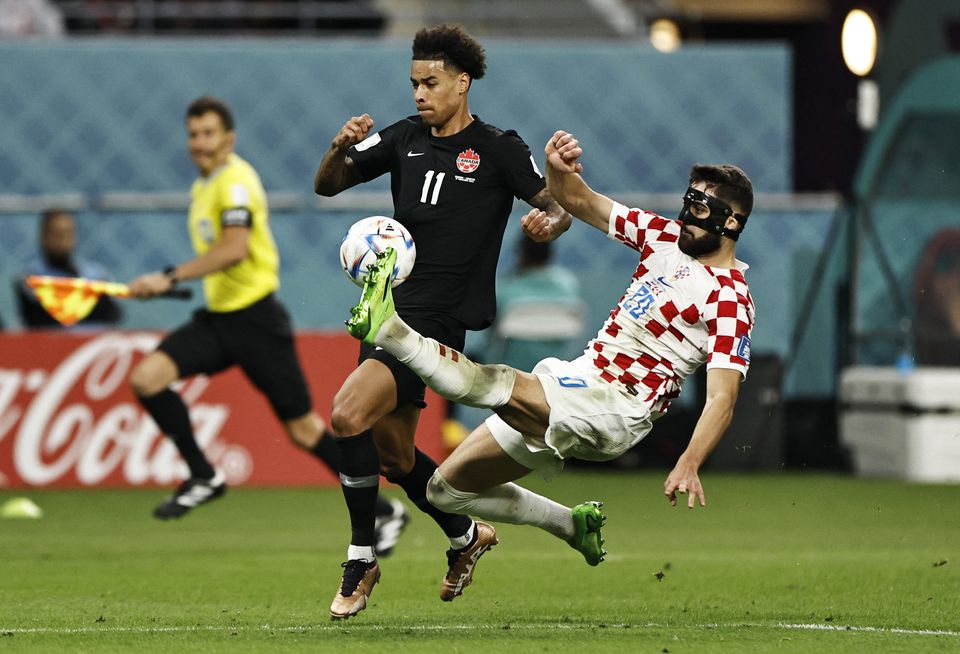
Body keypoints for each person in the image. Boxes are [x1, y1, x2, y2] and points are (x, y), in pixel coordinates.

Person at [346, 129, 755, 583]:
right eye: (688, 201)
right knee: (445, 491)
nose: (687, 216)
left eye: (700, 209)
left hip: (619, 406)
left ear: (731, 222)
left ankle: (392, 329)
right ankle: (569, 523)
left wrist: (690, 460)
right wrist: (558, 170)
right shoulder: (663, 236)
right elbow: (581, 201)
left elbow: (723, 398)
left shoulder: (730, 299)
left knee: (496, 383)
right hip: (579, 377)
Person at [313, 24, 571, 619]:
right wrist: (336, 147)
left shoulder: (500, 148)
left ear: (462, 82)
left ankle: (361, 556)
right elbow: (328, 185)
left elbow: (556, 206)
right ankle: (466, 535)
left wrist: (549, 224)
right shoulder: (402, 138)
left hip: (437, 323)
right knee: (397, 459)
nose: (419, 94)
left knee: (347, 414)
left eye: (430, 82)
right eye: (413, 83)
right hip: (389, 312)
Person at [127, 96, 407, 556]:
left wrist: (169, 277)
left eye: (208, 133)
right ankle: (204, 474)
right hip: (221, 319)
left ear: (228, 139)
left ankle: (383, 510)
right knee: (147, 378)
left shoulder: (235, 182)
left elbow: (235, 249)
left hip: (256, 320)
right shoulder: (207, 185)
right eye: (193, 134)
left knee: (302, 430)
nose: (199, 143)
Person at [15, 209, 123, 329]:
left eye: (68, 233)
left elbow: (113, 313)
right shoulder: (31, 278)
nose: (63, 240)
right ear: (43, 237)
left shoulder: (95, 274)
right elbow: (41, 317)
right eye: (57, 234)